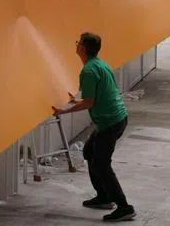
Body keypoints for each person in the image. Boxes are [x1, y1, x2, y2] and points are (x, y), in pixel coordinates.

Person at [51, 32, 134, 222]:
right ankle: (103, 197)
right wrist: (75, 101)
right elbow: (96, 96)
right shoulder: (100, 64)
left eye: (78, 42)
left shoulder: (88, 70)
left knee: (102, 164)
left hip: (109, 122)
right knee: (89, 152)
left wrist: (64, 111)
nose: (76, 44)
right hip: (114, 118)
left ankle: (124, 207)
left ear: (82, 48)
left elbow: (89, 102)